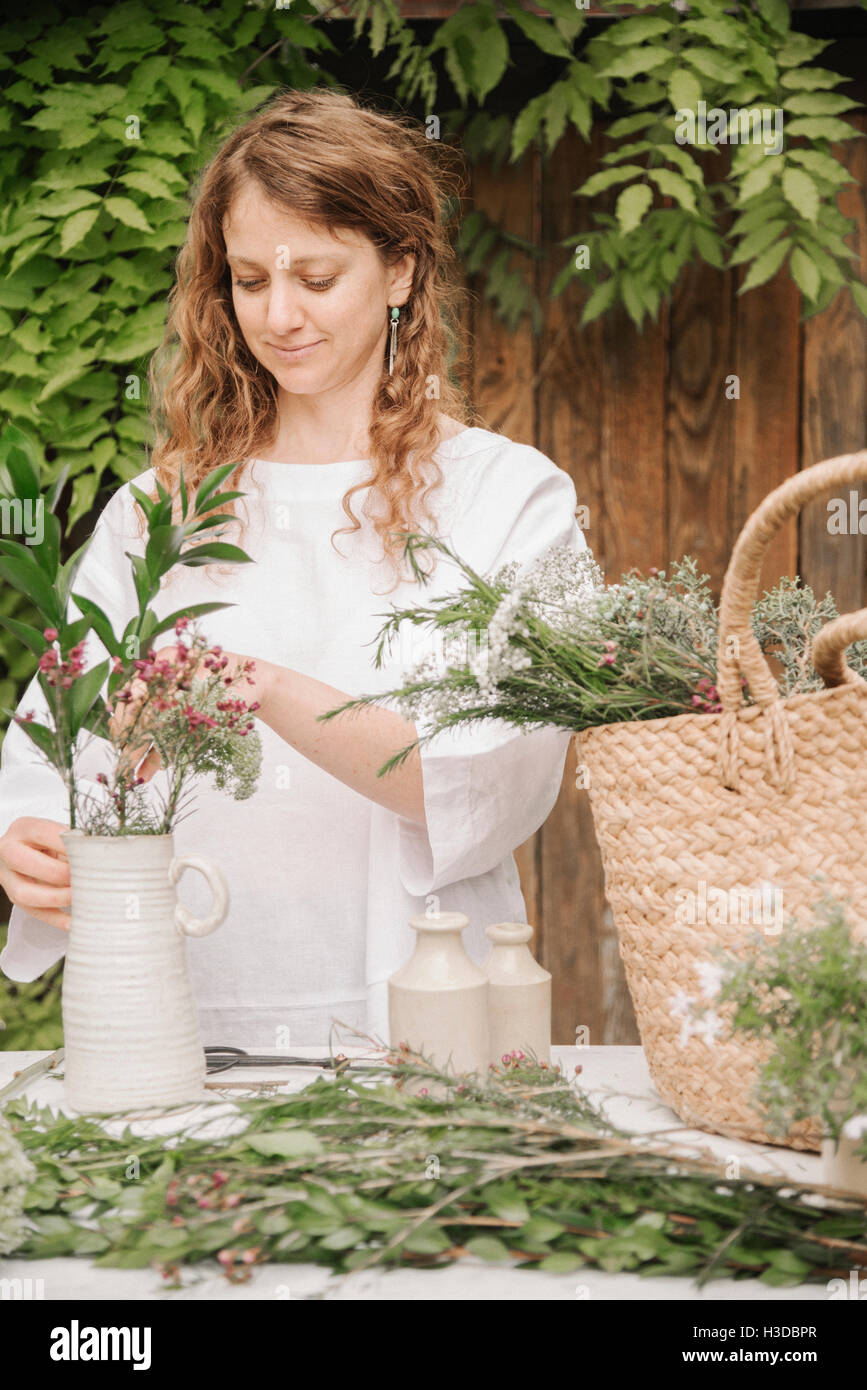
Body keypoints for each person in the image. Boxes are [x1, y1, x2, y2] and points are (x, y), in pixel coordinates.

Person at [0, 88, 589, 1047]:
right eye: (247, 279)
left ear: (400, 271)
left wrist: (256, 685)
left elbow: (490, 775)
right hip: (181, 998)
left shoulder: (507, 498)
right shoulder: (160, 510)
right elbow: (53, 746)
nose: (279, 316)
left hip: (418, 999)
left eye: (316, 278)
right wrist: (25, 840)